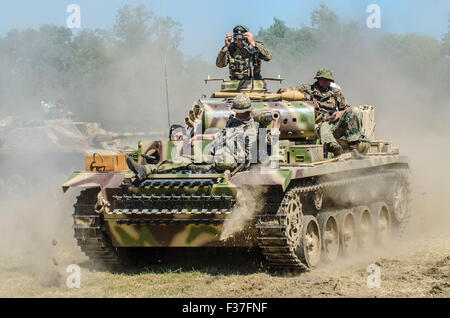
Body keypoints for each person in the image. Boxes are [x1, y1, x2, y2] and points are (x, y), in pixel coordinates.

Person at [126, 93, 258, 182]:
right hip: (217, 156)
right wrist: (200, 136)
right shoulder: (233, 122)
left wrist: (238, 169)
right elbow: (220, 136)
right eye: (236, 112)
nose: (236, 114)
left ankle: (149, 170)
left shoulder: (250, 131)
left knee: (192, 162)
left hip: (228, 162)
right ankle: (146, 169)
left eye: (239, 112)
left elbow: (248, 158)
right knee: (184, 158)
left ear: (246, 111)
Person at [280, 68, 367, 157]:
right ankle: (333, 147)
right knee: (324, 125)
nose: (326, 82)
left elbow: (346, 109)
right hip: (314, 125)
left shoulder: (335, 93)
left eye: (328, 80)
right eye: (324, 79)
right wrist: (285, 90)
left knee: (355, 111)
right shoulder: (306, 89)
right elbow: (287, 92)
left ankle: (354, 146)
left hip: (333, 124)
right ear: (318, 79)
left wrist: (341, 113)